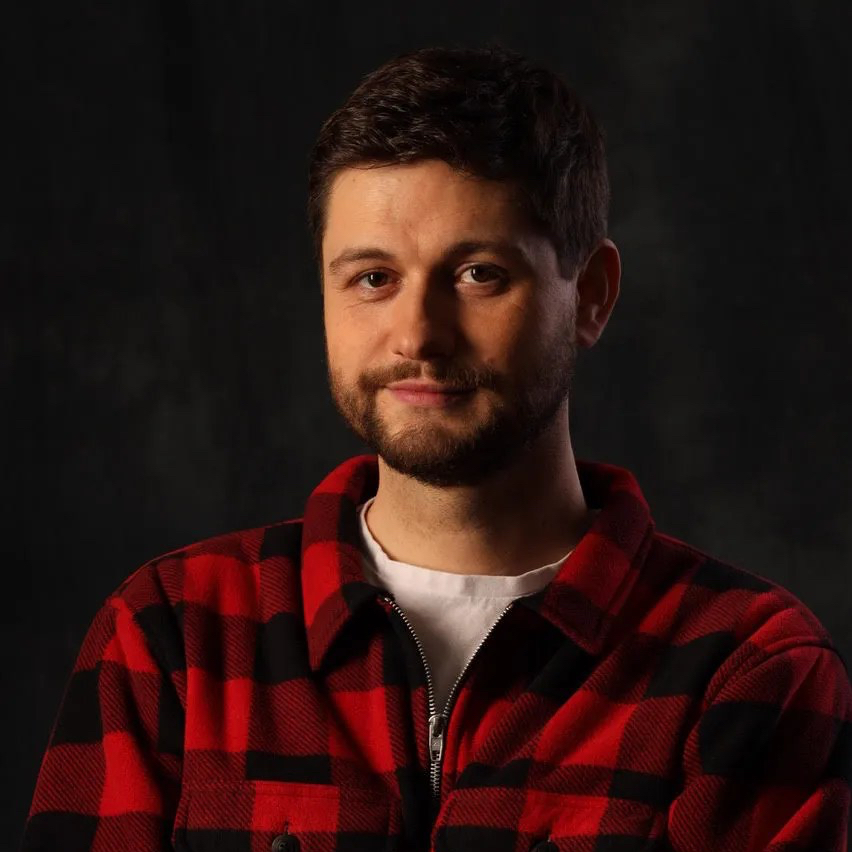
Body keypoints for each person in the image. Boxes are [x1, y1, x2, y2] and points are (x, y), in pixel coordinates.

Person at [22, 44, 851, 852]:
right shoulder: (173, 637)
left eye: (478, 274)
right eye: (373, 278)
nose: (418, 334)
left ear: (591, 297)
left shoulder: (745, 671)